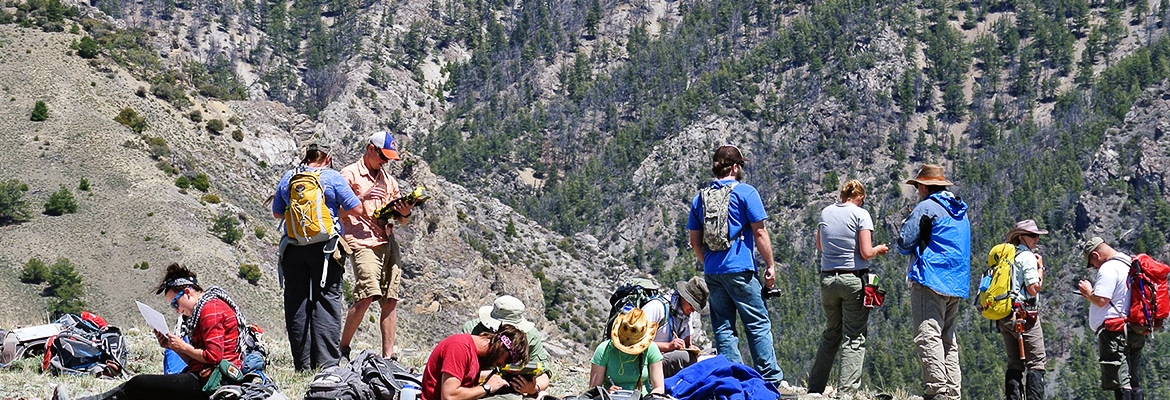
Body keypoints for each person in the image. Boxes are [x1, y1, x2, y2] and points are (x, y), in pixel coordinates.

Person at [53, 264, 247, 400]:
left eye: (175, 303)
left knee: (139, 383)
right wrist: (173, 347)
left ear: (187, 292)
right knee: (139, 387)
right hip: (206, 375)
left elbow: (213, 356)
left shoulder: (210, 310)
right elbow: (199, 360)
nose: (176, 310)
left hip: (216, 381)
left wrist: (183, 346)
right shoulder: (205, 309)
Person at [685, 144, 784, 385]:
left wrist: (710, 263)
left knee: (723, 327)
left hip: (713, 271)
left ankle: (734, 380)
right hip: (741, 269)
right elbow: (759, 232)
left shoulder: (700, 198)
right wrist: (770, 265)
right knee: (757, 324)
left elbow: (694, 242)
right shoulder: (746, 193)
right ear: (736, 167)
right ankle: (770, 380)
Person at [272, 143, 361, 371]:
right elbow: (357, 209)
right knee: (326, 301)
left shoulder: (289, 177)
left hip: (294, 248)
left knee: (296, 303)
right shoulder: (332, 177)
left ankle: (302, 365)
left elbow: (277, 213)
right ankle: (327, 364)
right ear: (327, 158)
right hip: (326, 249)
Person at [808, 180, 889, 397]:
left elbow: (820, 245)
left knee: (831, 332)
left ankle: (815, 387)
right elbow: (866, 252)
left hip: (828, 279)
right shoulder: (861, 214)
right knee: (854, 336)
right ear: (860, 197)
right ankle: (846, 392)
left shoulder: (826, 212)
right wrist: (879, 249)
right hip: (853, 279)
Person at [896, 164, 971, 400]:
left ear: (926, 187)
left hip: (930, 278)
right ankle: (953, 392)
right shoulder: (960, 210)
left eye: (918, 186)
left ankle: (937, 390)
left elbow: (904, 243)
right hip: (956, 282)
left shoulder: (926, 207)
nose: (918, 190)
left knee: (928, 334)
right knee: (948, 339)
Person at [339, 132, 414, 360]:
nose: (385, 162)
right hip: (362, 242)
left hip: (387, 240)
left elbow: (402, 221)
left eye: (388, 158)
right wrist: (362, 197)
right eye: (383, 156)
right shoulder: (349, 174)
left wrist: (404, 212)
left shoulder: (389, 181)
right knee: (366, 295)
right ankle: (342, 348)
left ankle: (388, 356)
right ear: (370, 149)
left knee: (390, 298)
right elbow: (336, 211)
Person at [1078, 237, 1145, 400]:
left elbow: (1102, 300)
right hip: (1134, 329)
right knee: (1133, 380)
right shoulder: (1129, 263)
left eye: (1092, 263)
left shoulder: (1108, 268)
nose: (1095, 267)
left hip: (1115, 333)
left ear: (1095, 255)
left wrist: (1088, 293)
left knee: (1120, 382)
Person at [460, 296, 551, 398]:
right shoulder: (473, 330)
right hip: (477, 389)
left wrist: (534, 387)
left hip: (513, 390)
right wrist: (491, 378)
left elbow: (544, 372)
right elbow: (459, 373)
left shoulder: (530, 336)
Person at [1000, 220, 1049, 400]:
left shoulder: (1008, 255)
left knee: (1014, 363)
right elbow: (1033, 288)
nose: (1037, 239)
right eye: (1032, 235)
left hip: (1005, 315)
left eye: (1037, 236)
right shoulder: (1027, 257)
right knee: (1036, 362)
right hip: (1024, 315)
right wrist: (1040, 268)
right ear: (1021, 237)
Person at [421, 324, 529, 400]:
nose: (504, 365)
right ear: (501, 346)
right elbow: (449, 396)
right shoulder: (459, 347)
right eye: (508, 359)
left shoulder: (478, 354)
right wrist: (487, 387)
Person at [640, 276, 709, 378]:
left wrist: (692, 349)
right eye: (692, 305)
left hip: (662, 358)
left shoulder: (685, 315)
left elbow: (687, 343)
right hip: (644, 360)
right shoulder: (656, 308)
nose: (693, 310)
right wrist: (668, 346)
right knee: (684, 358)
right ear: (684, 297)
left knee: (691, 358)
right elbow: (636, 342)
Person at [588, 308, 666, 396]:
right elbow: (593, 390)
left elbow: (659, 388)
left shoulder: (651, 349)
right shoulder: (604, 349)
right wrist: (607, 393)